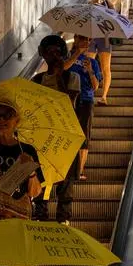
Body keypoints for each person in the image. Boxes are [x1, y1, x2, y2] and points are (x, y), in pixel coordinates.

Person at [32, 34, 82, 225]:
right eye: (49, 52)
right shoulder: (36, 81)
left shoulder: (72, 77)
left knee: (66, 180)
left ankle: (63, 220)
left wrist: (60, 75)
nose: (53, 55)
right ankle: (40, 216)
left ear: (63, 53)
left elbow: (68, 104)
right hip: (42, 137)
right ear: (43, 55)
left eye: (57, 51)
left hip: (65, 138)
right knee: (42, 178)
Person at [68, 34, 101, 180]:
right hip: (68, 100)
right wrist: (76, 54)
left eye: (89, 39)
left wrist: (90, 71)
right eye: (83, 38)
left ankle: (79, 171)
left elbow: (95, 87)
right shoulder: (68, 57)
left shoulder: (92, 62)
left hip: (86, 100)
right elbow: (62, 69)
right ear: (75, 38)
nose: (86, 42)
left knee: (84, 136)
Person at [86, 0, 115, 105]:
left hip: (105, 38)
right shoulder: (88, 5)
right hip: (91, 38)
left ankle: (104, 97)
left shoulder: (108, 4)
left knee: (105, 68)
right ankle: (88, 92)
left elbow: (115, 20)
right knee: (87, 65)